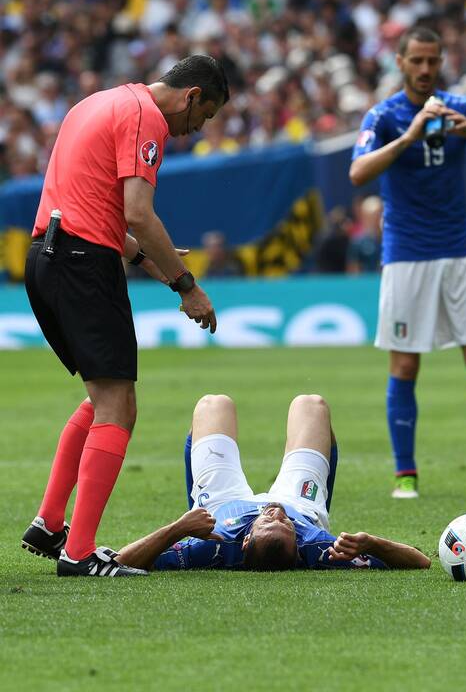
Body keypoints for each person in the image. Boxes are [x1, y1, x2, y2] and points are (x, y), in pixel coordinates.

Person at [21, 55, 231, 577]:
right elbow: (138, 210)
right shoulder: (148, 119)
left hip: (45, 259)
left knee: (101, 400)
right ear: (191, 96)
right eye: (201, 118)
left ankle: (50, 524)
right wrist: (189, 287)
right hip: (81, 265)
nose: (191, 131)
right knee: (120, 406)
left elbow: (103, 212)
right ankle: (80, 552)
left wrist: (148, 260)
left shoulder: (101, 102)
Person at [349, 27, 466, 500]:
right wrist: (410, 135)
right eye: (416, 60)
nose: (425, 70)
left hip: (458, 253)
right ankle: (406, 474)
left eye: (432, 60)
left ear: (441, 61)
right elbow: (357, 172)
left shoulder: (464, 108)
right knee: (406, 365)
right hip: (406, 256)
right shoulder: (385, 115)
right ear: (400, 61)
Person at [113, 394, 431, 572]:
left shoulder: (208, 548)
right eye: (287, 525)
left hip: (219, 507)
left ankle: (197, 497)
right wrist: (373, 544)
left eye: (270, 521)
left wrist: (180, 527)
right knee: (311, 404)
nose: (275, 511)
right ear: (299, 548)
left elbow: (121, 562)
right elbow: (421, 562)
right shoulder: (321, 550)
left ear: (247, 541)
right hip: (302, 505)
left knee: (213, 404)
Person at [346, 195, 383, 274]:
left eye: (379, 215)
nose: (376, 220)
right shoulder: (357, 243)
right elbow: (353, 272)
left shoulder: (391, 242)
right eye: (372, 216)